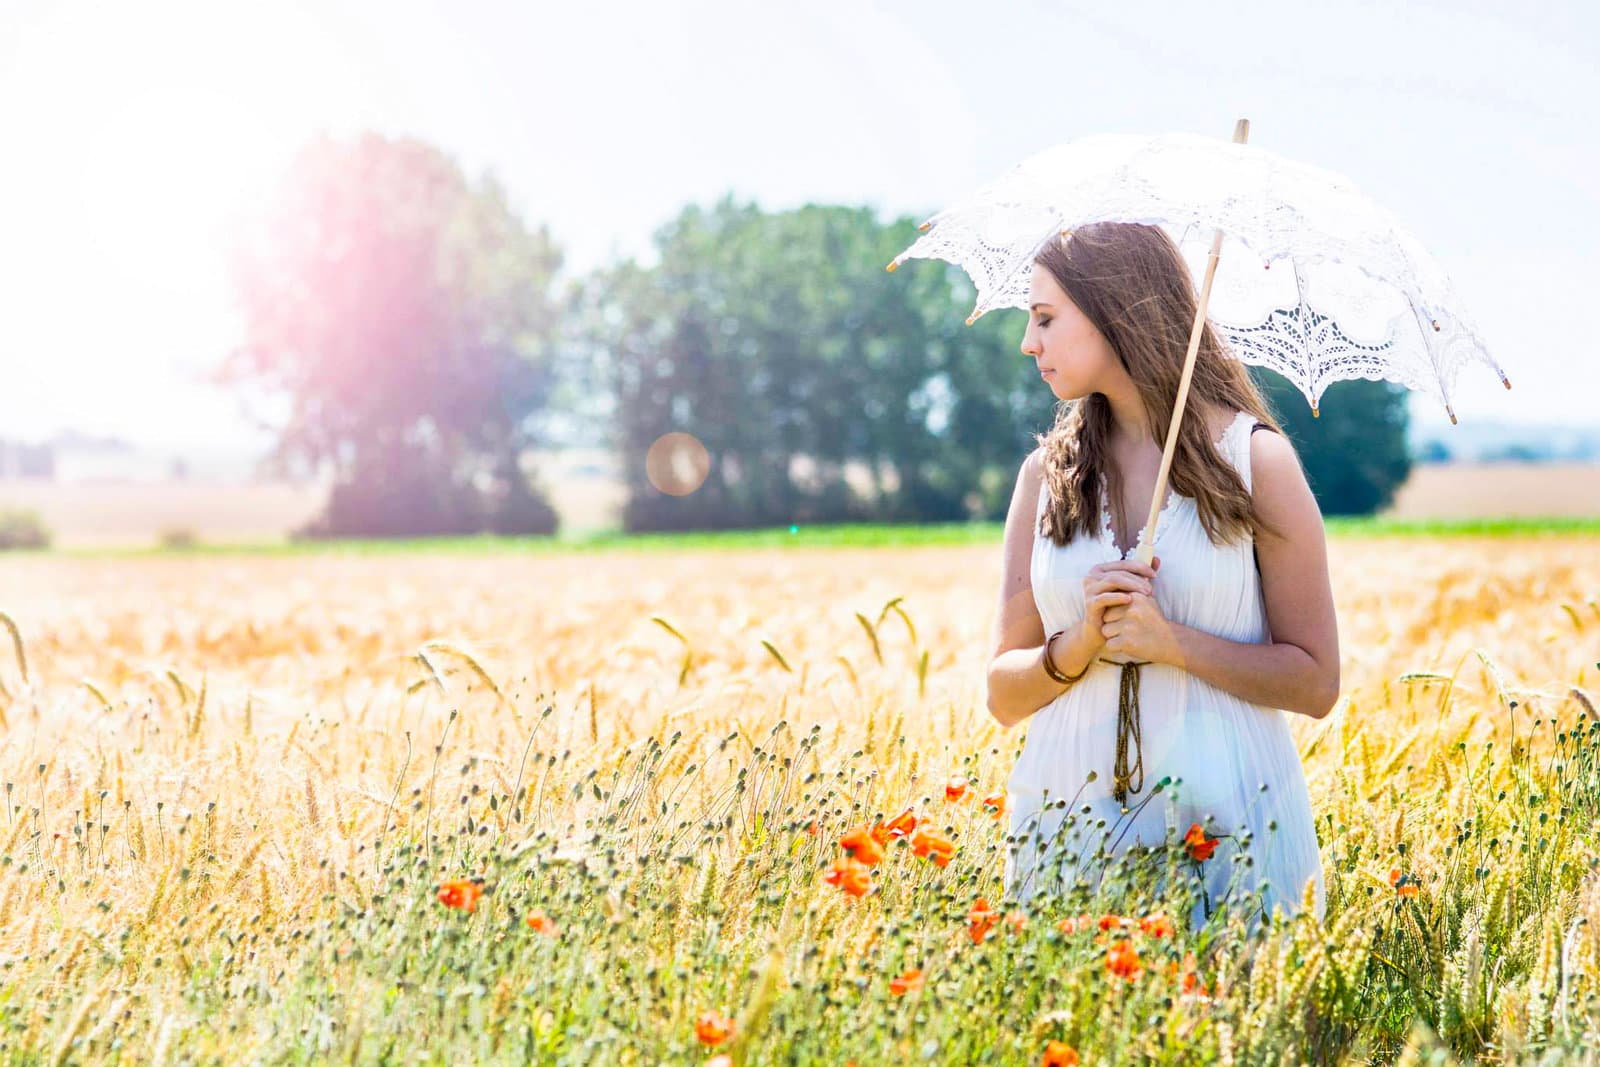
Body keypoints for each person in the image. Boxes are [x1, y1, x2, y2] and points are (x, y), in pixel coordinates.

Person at [984, 222, 1336, 930]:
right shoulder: (1042, 478)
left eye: (1047, 318)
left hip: (1229, 830)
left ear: (1114, 307)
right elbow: (1002, 693)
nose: (1030, 342)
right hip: (1068, 833)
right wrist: (1080, 642)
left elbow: (1316, 682)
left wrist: (1170, 641)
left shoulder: (1256, 463)